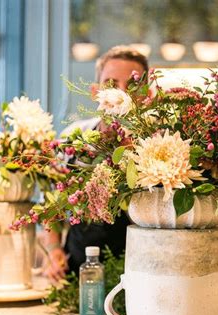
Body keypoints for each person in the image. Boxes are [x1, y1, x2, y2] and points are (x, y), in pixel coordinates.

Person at [43, 45, 149, 281]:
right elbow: (51, 204)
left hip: (141, 277)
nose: (121, 92)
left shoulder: (159, 146)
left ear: (146, 93)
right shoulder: (73, 139)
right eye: (111, 84)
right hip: (78, 275)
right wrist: (53, 251)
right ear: (95, 91)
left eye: (131, 84)